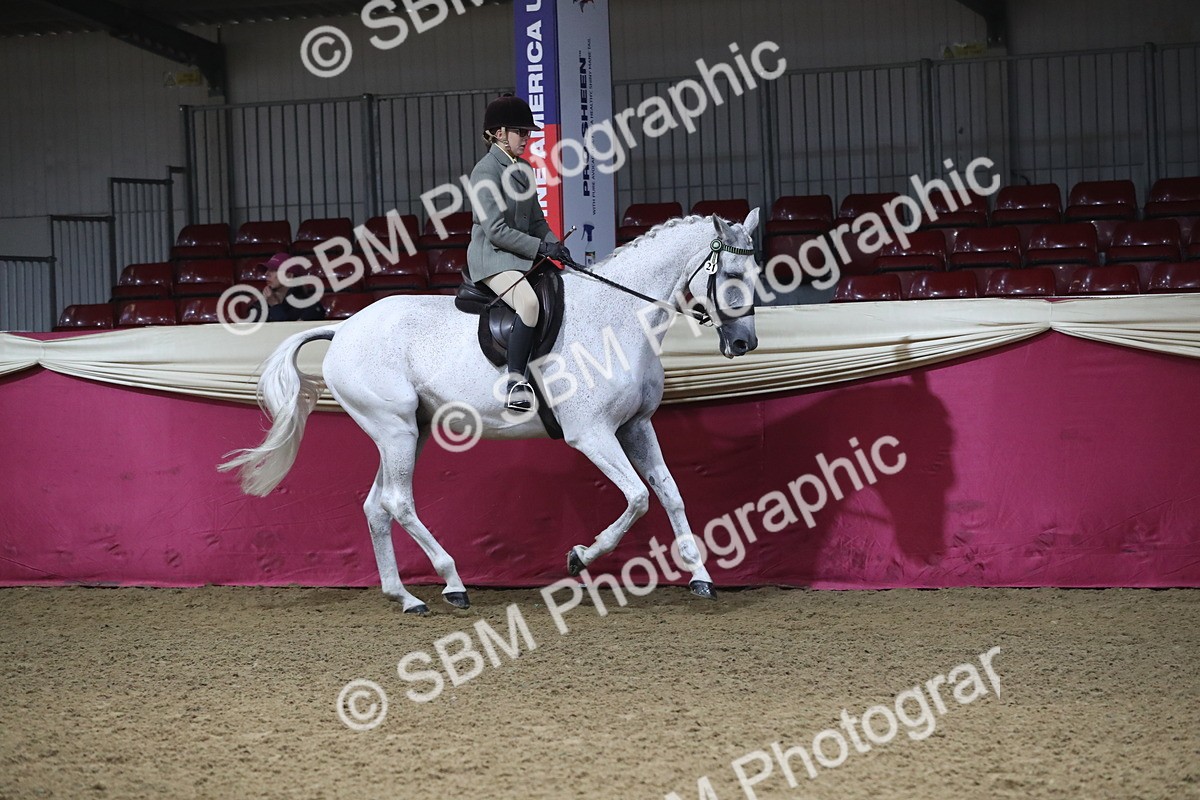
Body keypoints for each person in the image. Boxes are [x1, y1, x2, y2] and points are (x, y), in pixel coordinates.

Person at [466, 93, 573, 411]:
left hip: (521, 253)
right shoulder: (484, 173)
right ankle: (515, 381)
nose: (528, 138)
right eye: (522, 132)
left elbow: (537, 220)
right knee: (528, 303)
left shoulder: (524, 168)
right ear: (499, 133)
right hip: (493, 257)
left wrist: (557, 247)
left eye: (528, 132)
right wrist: (541, 248)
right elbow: (496, 231)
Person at [259, 251, 326, 322]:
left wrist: (275, 307)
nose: (266, 274)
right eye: (267, 270)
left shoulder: (310, 306)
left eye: (274, 270)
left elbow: (293, 332)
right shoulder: (260, 306)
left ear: (290, 276)